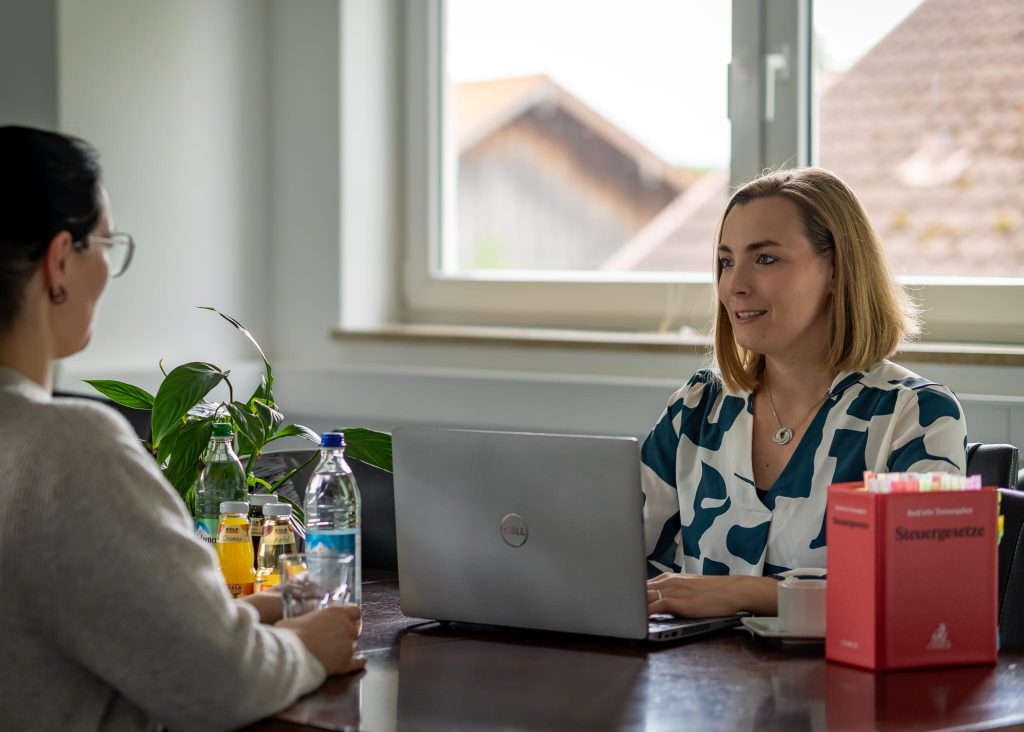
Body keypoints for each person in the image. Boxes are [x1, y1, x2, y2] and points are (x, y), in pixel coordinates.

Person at [0, 125, 364, 731]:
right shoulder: (67, 449)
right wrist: (306, 647)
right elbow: (222, 683)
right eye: (106, 245)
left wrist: (244, 616)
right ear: (59, 260)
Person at [642, 167, 966, 619]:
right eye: (725, 261)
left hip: (846, 686)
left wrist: (744, 594)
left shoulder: (917, 416)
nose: (734, 285)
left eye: (766, 259)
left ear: (836, 270)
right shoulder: (696, 407)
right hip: (692, 681)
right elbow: (616, 559)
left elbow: (924, 598)